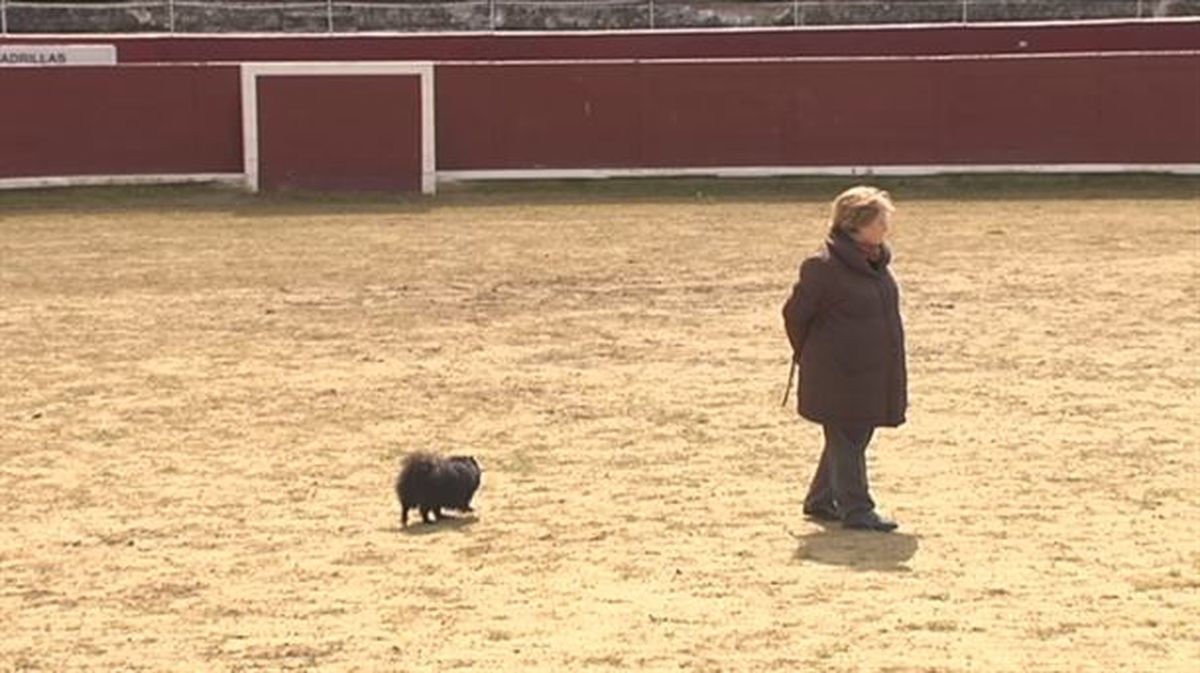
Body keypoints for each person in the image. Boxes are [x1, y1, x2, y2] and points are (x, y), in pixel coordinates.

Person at [782, 185, 907, 532]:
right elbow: (795, 315)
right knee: (848, 435)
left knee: (851, 434)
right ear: (858, 225)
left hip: (871, 371)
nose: (887, 227)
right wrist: (814, 355)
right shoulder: (822, 267)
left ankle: (822, 499)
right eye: (881, 221)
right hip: (838, 372)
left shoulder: (875, 262)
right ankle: (856, 509)